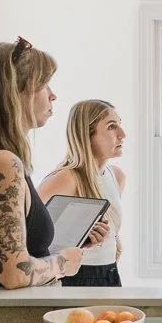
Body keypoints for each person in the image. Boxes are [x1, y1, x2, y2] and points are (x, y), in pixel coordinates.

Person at [0, 37, 84, 289]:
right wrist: (62, 263)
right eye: (44, 85)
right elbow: (13, 272)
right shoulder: (2, 163)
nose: (53, 95)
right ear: (14, 93)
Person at [39, 100, 127, 287]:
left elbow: (111, 225)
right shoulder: (65, 178)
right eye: (112, 127)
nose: (122, 134)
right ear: (87, 135)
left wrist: (114, 240)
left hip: (110, 274)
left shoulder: (117, 176)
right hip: (75, 277)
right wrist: (80, 239)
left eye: (120, 124)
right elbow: (28, 235)